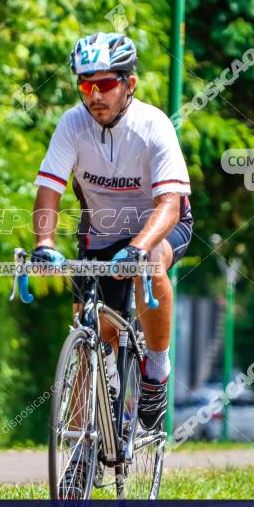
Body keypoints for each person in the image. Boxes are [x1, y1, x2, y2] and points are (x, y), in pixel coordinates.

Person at [32, 31, 193, 433]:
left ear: (129, 84)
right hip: (100, 236)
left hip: (156, 230)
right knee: (90, 336)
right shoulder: (72, 124)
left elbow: (170, 206)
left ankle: (155, 371)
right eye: (86, 85)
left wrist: (138, 247)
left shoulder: (153, 125)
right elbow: (48, 192)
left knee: (151, 263)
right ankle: (81, 454)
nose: (95, 95)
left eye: (105, 84)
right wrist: (44, 244)